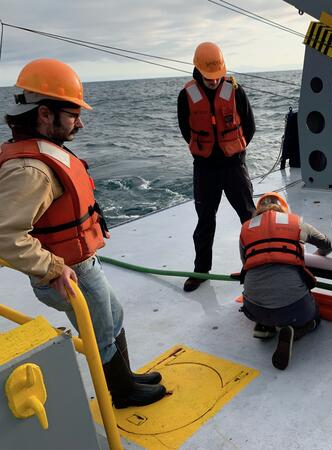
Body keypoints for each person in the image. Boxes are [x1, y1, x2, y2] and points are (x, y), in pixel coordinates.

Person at [0, 59, 166, 408]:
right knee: (101, 333)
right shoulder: (32, 170)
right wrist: (53, 268)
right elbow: (5, 235)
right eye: (73, 114)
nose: (81, 122)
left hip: (82, 264)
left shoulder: (40, 153)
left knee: (114, 316)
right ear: (45, 114)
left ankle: (126, 377)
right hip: (68, 271)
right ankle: (121, 393)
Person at [177, 42, 256, 292]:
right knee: (205, 221)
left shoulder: (236, 91)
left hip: (234, 166)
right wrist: (206, 153)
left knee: (249, 217)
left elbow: (250, 126)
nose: (213, 81)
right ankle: (200, 271)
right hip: (205, 169)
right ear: (197, 70)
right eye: (208, 76)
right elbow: (185, 129)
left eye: (216, 76)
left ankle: (254, 266)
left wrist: (234, 151)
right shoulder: (186, 95)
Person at [239, 192, 332, 370]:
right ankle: (296, 331)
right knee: (315, 316)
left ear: (258, 212)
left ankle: (265, 324)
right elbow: (327, 245)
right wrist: (315, 256)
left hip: (252, 309)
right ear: (284, 210)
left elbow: (246, 264)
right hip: (294, 308)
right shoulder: (298, 224)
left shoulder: (245, 229)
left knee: (263, 294)